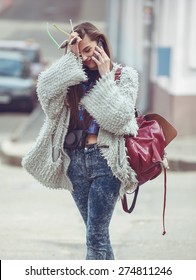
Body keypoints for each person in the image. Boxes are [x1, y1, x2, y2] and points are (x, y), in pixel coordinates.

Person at [22, 22, 139, 260]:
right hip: (74, 163)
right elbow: (45, 93)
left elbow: (118, 119)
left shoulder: (124, 76)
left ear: (101, 44)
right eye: (81, 52)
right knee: (97, 235)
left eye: (89, 50)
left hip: (106, 162)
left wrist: (106, 78)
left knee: (95, 237)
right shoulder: (72, 80)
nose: (86, 58)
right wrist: (70, 60)